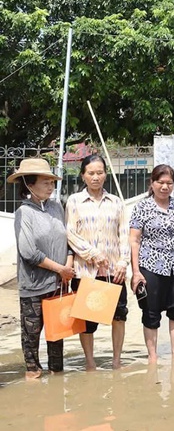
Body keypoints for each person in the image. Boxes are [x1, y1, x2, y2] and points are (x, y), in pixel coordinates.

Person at [10, 158, 76, 379]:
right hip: (34, 286)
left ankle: (57, 380)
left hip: (58, 285)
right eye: (45, 182)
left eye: (52, 182)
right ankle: (33, 376)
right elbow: (28, 252)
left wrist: (68, 265)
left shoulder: (57, 207)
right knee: (31, 337)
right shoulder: (24, 213)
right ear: (30, 184)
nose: (51, 186)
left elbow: (68, 241)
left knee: (58, 336)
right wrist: (59, 269)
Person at [67, 154, 131, 370]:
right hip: (86, 271)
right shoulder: (74, 201)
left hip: (114, 271)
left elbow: (124, 234)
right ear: (83, 176)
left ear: (106, 174)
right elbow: (71, 234)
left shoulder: (116, 203)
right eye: (91, 173)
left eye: (100, 173)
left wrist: (123, 262)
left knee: (119, 316)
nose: (96, 177)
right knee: (87, 320)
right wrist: (92, 253)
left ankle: (116, 361)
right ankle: (90, 363)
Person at [129, 164, 174, 363]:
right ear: (152, 183)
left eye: (169, 183)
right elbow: (134, 240)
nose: (165, 187)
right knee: (151, 312)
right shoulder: (142, 207)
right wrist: (135, 271)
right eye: (161, 182)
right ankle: (153, 357)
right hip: (150, 266)